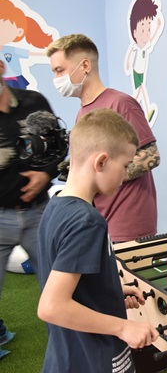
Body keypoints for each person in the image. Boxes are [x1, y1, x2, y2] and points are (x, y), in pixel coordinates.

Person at [37, 109, 159, 372]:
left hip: (66, 355)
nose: (125, 177)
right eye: (124, 166)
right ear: (101, 161)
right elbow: (52, 306)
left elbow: (70, 279)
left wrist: (111, 293)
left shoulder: (56, 206)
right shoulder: (88, 221)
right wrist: (124, 326)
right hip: (94, 359)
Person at [46, 34, 160, 242]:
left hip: (127, 221)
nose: (56, 79)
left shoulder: (120, 104)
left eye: (60, 70)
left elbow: (151, 156)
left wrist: (97, 173)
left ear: (85, 66)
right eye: (54, 72)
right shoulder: (82, 113)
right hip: (99, 218)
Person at [0, 59, 64, 359]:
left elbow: (59, 146)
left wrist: (46, 173)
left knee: (59, 287)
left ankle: (67, 347)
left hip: (39, 213)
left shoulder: (33, 103)